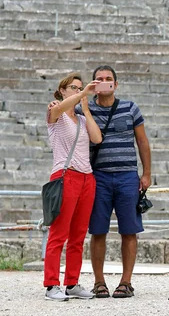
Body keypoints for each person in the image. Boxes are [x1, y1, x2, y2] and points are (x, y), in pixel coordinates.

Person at [77, 65, 152, 299]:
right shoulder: (83, 109)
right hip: (97, 175)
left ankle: (126, 282)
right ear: (93, 84)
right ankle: (99, 282)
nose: (104, 82)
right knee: (97, 230)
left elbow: (142, 141)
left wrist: (146, 173)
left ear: (116, 84)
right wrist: (83, 98)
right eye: (99, 79)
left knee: (129, 230)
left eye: (109, 79)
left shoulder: (130, 108)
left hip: (127, 175)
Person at [44, 73, 102, 301]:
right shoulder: (55, 111)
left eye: (80, 87)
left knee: (78, 235)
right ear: (63, 90)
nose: (79, 90)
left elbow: (97, 139)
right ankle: (51, 284)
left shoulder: (80, 118)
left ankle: (72, 282)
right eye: (74, 87)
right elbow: (57, 111)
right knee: (59, 233)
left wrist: (86, 109)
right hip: (66, 175)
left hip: (87, 178)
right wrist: (82, 93)